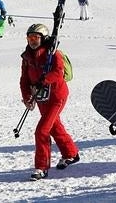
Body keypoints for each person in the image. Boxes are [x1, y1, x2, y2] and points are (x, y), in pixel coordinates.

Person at [19, 24, 80, 180]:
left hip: (56, 96)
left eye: (36, 38)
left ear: (43, 38)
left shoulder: (53, 53)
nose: (32, 41)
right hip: (41, 99)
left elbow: (58, 72)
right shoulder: (26, 57)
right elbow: (24, 80)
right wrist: (27, 98)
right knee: (54, 127)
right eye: (29, 38)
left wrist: (43, 81)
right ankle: (71, 154)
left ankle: (41, 167)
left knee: (42, 130)